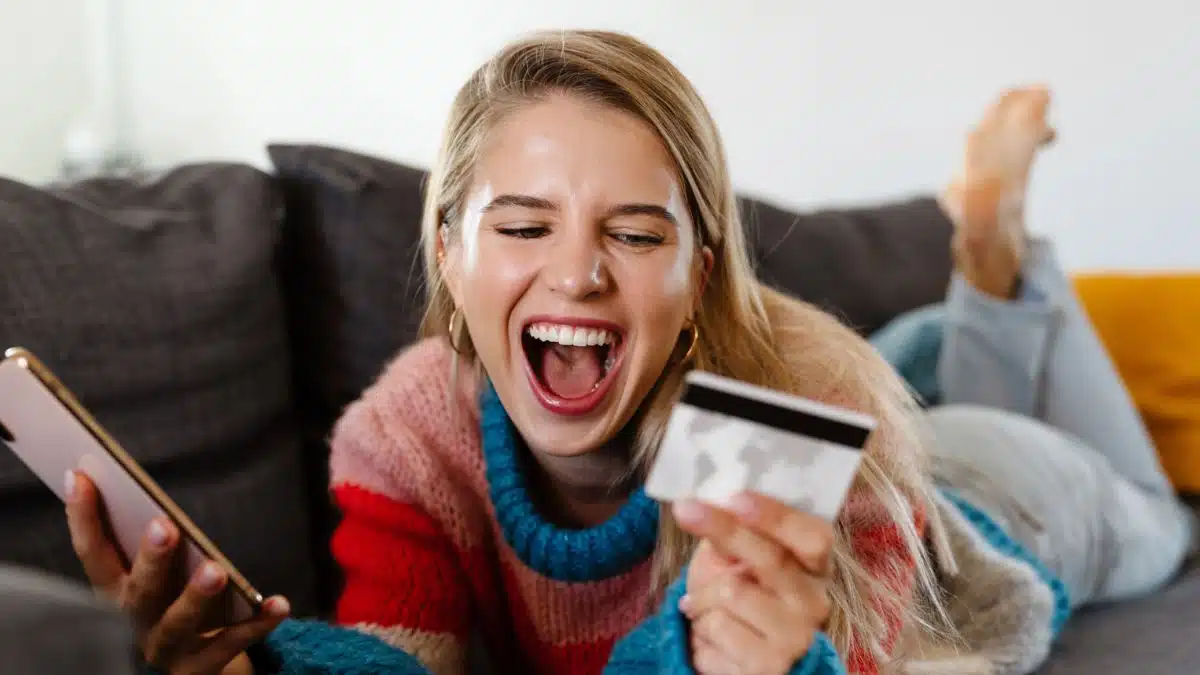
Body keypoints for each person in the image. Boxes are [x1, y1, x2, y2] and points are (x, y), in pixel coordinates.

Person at [58, 30, 1196, 675]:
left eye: (638, 234)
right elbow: (403, 663)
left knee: (1162, 517)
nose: (577, 274)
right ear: (448, 250)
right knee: (908, 374)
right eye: (522, 225)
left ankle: (995, 267)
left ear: (700, 270)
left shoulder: (792, 415)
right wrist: (259, 663)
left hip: (1009, 506)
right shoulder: (411, 431)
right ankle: (962, 305)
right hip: (855, 417)